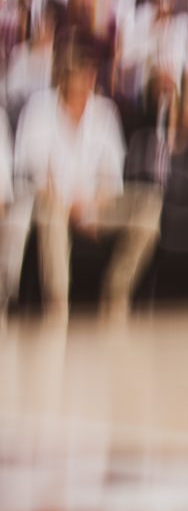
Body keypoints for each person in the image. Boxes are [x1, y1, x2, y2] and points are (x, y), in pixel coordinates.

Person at [0, 48, 160, 319]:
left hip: (96, 204)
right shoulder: (39, 108)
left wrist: (94, 206)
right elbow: (34, 175)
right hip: (53, 202)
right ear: (63, 78)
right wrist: (69, 207)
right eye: (78, 76)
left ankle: (116, 290)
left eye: (88, 75)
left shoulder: (105, 112)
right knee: (51, 213)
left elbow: (112, 177)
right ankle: (57, 303)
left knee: (148, 205)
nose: (85, 81)